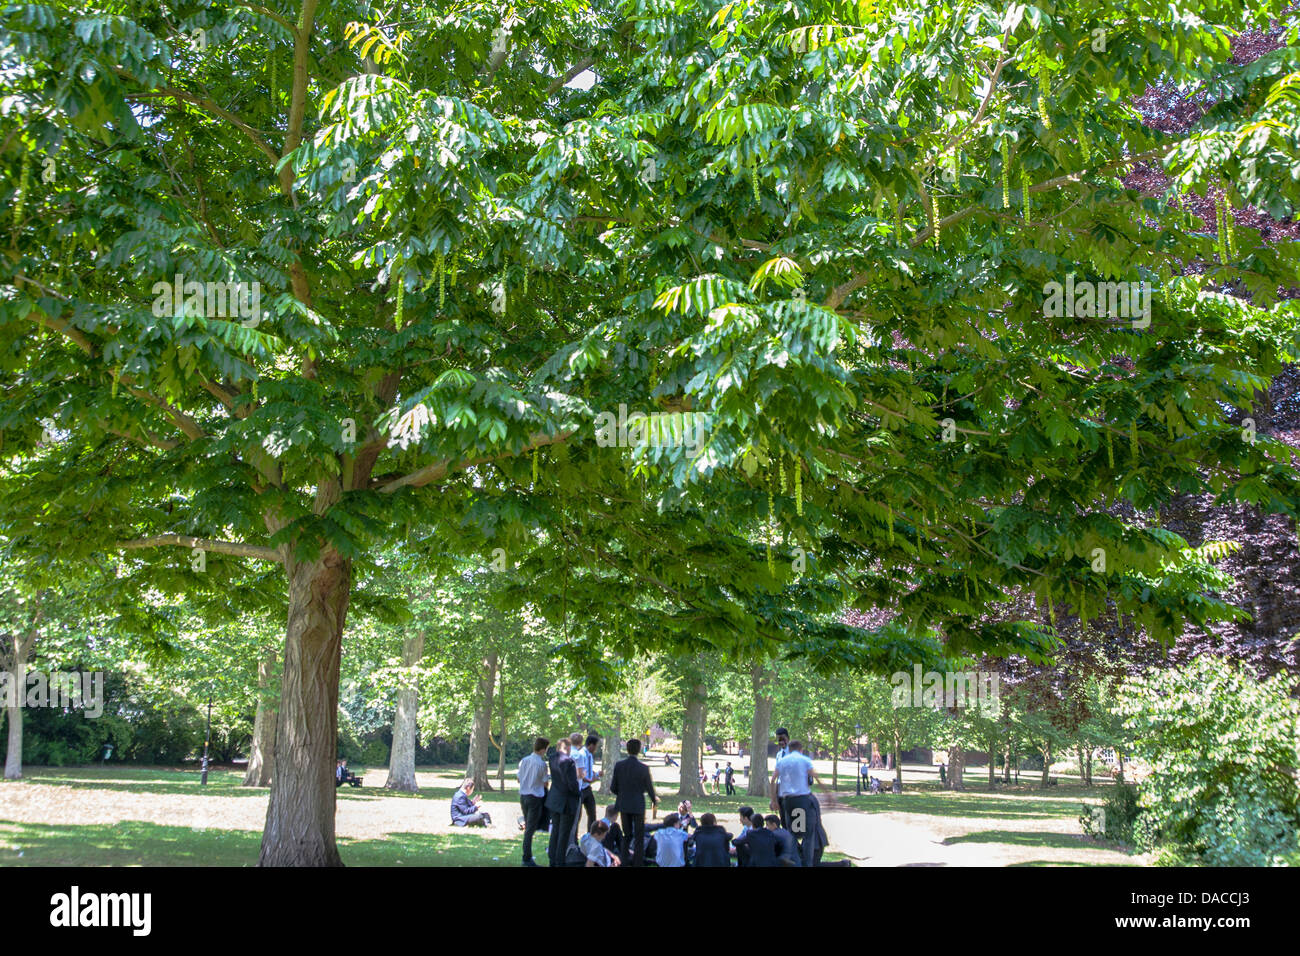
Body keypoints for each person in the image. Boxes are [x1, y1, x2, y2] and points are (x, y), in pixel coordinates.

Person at [609, 737, 658, 866]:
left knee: (627, 834)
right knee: (639, 835)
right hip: (638, 805)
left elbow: (613, 787)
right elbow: (649, 788)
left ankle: (624, 861)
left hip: (624, 804)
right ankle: (638, 862)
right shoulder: (643, 768)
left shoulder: (619, 766)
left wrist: (622, 794)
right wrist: (654, 799)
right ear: (639, 750)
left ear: (627, 749)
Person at [770, 739, 819, 866]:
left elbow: (773, 780)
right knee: (808, 834)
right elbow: (816, 777)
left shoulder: (782, 761)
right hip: (801, 799)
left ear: (789, 749)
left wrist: (774, 800)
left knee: (792, 831)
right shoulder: (804, 760)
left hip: (787, 801)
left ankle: (790, 857)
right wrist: (828, 793)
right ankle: (806, 863)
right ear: (801, 749)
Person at [545, 737, 580, 867]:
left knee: (555, 830)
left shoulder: (552, 758)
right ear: (568, 747)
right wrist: (578, 792)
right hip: (566, 801)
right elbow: (572, 783)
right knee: (563, 833)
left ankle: (552, 859)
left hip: (554, 798)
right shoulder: (569, 761)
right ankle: (560, 861)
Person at [517, 736, 549, 866]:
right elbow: (545, 783)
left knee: (528, 827)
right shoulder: (541, 764)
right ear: (543, 749)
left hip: (523, 796)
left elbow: (519, 779)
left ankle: (527, 856)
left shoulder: (524, 761)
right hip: (535, 797)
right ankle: (526, 857)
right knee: (530, 829)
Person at [571, 732, 600, 838]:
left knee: (592, 813)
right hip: (580, 788)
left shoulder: (589, 756)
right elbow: (581, 773)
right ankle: (574, 838)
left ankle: (591, 836)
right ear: (591, 745)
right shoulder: (581, 755)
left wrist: (596, 775)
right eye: (596, 746)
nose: (596, 748)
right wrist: (590, 779)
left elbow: (588, 770)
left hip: (587, 788)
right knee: (577, 815)